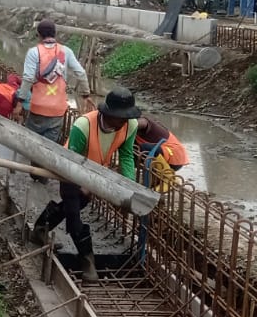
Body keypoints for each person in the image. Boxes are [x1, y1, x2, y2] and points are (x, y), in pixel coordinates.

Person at [28, 86, 141, 281]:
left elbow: (126, 155)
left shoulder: (130, 126)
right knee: (73, 214)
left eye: (127, 117)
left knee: (76, 205)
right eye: (120, 118)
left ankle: (39, 229)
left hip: (95, 172)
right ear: (108, 113)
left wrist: (128, 185)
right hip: (69, 169)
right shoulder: (83, 126)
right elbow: (72, 159)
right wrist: (82, 184)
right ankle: (87, 260)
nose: (123, 122)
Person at [19, 20, 95, 143]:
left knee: (32, 144)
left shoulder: (33, 52)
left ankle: (32, 161)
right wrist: (86, 94)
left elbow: (28, 78)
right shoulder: (66, 51)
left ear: (39, 35)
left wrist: (20, 101)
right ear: (55, 34)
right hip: (58, 109)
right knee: (49, 147)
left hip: (38, 107)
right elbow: (80, 73)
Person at [133, 114, 189, 193]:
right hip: (160, 157)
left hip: (174, 155)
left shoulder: (145, 123)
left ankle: (170, 178)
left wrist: (129, 125)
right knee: (134, 150)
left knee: (145, 147)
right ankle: (156, 179)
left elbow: (144, 123)